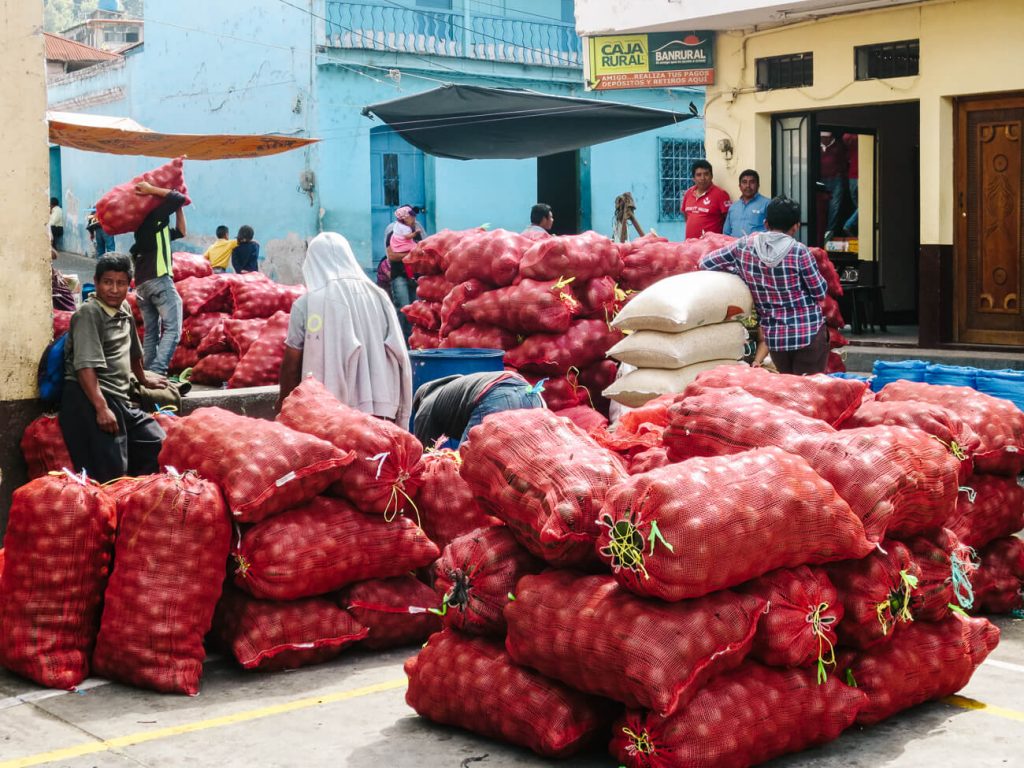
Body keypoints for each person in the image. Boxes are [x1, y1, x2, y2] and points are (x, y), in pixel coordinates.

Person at [279, 232, 413, 425]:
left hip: (331, 419)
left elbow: (291, 364)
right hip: (382, 412)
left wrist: (285, 406)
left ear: (312, 261)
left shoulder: (308, 304)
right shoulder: (379, 297)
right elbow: (399, 352)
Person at [59, 253, 167, 483]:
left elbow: (134, 351)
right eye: (108, 282)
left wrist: (144, 379)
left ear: (129, 286)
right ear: (96, 283)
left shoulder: (124, 308)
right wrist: (101, 409)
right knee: (112, 471)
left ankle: (133, 498)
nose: (114, 289)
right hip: (88, 397)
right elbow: (85, 367)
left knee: (156, 441)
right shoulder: (89, 314)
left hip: (119, 398)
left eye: (121, 283)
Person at [699, 196, 829, 375]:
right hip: (808, 333)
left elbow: (706, 262)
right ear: (796, 226)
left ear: (766, 223)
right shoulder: (799, 252)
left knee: (787, 393)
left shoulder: (744, 246)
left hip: (775, 339)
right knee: (809, 392)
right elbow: (819, 292)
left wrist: (739, 272)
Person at [130, 180, 187, 376]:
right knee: (173, 327)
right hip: (159, 280)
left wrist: (180, 208)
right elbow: (178, 197)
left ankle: (147, 373)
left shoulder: (154, 229)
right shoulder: (153, 217)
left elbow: (181, 231)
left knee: (152, 331)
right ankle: (158, 371)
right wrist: (151, 190)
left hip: (142, 287)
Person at [412, 371, 545, 448]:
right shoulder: (455, 388)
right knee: (527, 455)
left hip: (495, 396)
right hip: (530, 392)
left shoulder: (426, 405)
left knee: (467, 468)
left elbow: (423, 455)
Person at [385, 205, 425, 339]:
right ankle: (400, 343)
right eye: (410, 215)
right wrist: (413, 252)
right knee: (403, 309)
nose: (413, 218)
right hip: (399, 275)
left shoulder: (418, 228)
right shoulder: (393, 229)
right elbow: (392, 256)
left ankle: (413, 342)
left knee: (415, 310)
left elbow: (425, 249)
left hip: (416, 276)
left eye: (414, 216)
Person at [680, 160, 731, 239]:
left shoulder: (721, 194)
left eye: (706, 174)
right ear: (693, 178)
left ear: (711, 176)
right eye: (699, 175)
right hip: (690, 245)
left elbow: (729, 219)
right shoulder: (688, 193)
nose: (703, 178)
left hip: (711, 246)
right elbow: (686, 215)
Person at [723, 169, 769, 237]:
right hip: (735, 246)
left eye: (752, 182)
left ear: (758, 185)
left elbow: (774, 232)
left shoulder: (767, 204)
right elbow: (726, 233)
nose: (748, 185)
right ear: (740, 186)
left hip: (757, 246)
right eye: (744, 182)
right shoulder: (733, 207)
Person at [819, 131, 848, 238]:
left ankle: (830, 231)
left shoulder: (839, 147)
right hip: (822, 180)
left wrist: (841, 175)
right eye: (821, 137)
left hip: (836, 179)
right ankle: (822, 230)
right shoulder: (817, 146)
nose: (822, 139)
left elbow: (844, 163)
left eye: (825, 137)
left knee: (834, 206)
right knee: (822, 206)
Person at [843, 133, 859, 236]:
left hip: (852, 177)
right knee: (865, 207)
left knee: (860, 207)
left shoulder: (851, 141)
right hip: (860, 177)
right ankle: (849, 224)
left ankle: (858, 231)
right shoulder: (858, 139)